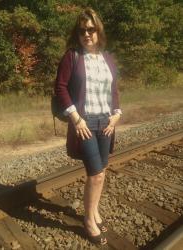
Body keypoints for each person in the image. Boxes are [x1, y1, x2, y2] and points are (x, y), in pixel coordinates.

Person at [55, 8, 122, 245]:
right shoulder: (72, 56)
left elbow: (113, 90)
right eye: (82, 30)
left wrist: (117, 114)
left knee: (101, 171)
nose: (87, 34)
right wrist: (76, 118)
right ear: (78, 33)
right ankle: (88, 219)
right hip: (84, 123)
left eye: (91, 29)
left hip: (106, 122)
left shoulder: (107, 58)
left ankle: (93, 211)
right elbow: (61, 88)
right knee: (95, 175)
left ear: (98, 31)